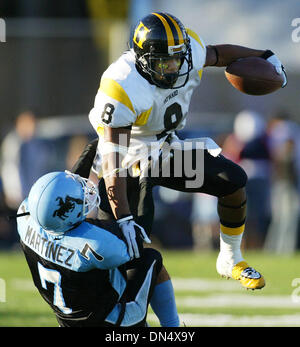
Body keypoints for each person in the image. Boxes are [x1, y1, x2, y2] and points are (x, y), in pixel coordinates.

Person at [78, 12, 288, 290]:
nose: (175, 67)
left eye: (178, 58)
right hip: (127, 159)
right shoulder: (122, 84)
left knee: (232, 181)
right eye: (165, 62)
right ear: (143, 60)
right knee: (132, 253)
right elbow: (114, 162)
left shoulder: (188, 51)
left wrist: (265, 55)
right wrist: (124, 217)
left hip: (166, 151)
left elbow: (218, 53)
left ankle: (230, 257)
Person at [16, 170, 180, 327]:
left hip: (69, 320)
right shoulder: (95, 244)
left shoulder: (25, 221)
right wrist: (145, 187)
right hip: (108, 320)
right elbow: (135, 243)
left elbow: (51, 206)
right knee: (151, 259)